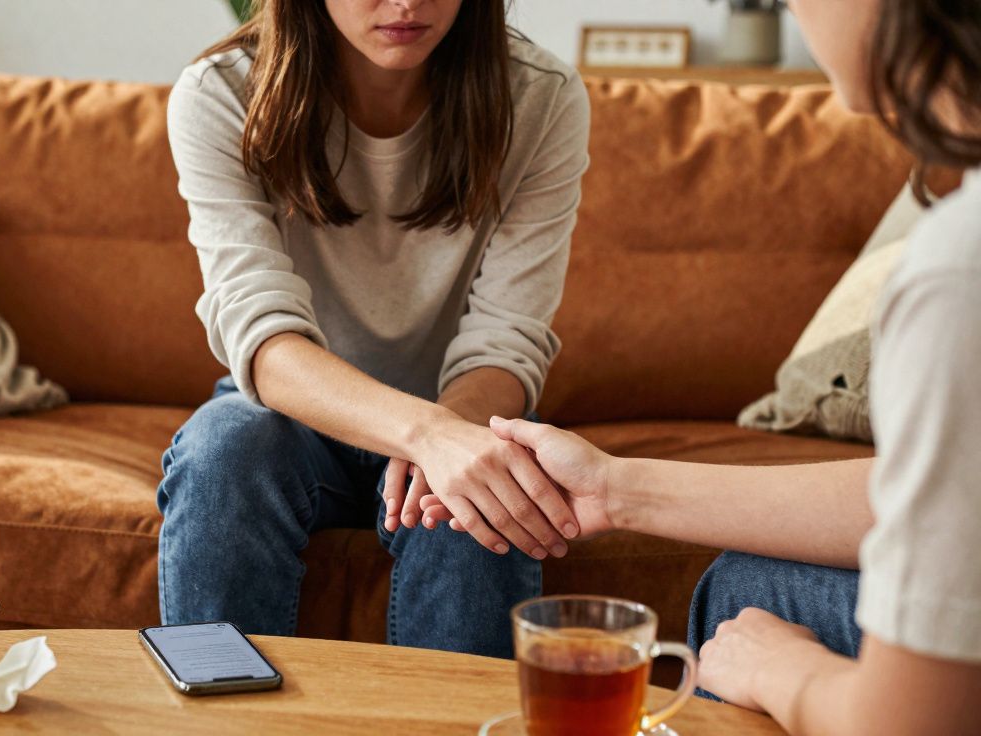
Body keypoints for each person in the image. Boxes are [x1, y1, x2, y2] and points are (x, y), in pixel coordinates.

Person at [417, 0, 981, 730]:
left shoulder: (956, 270)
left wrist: (786, 670)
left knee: (751, 600)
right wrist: (614, 489)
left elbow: (913, 724)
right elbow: (940, 503)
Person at [156, 0, 590, 658]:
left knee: (480, 495)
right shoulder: (221, 92)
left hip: (462, 404)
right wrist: (429, 437)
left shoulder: (540, 98)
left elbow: (508, 340)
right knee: (224, 452)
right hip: (296, 411)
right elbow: (263, 339)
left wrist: (450, 438)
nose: (407, 3)